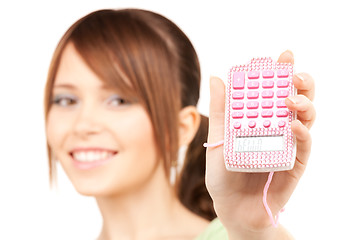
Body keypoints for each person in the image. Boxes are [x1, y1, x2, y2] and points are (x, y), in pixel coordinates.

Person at [44, 8, 315, 240]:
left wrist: (251, 232)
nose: (83, 125)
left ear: (181, 128)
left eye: (119, 100)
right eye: (66, 100)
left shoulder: (238, 235)